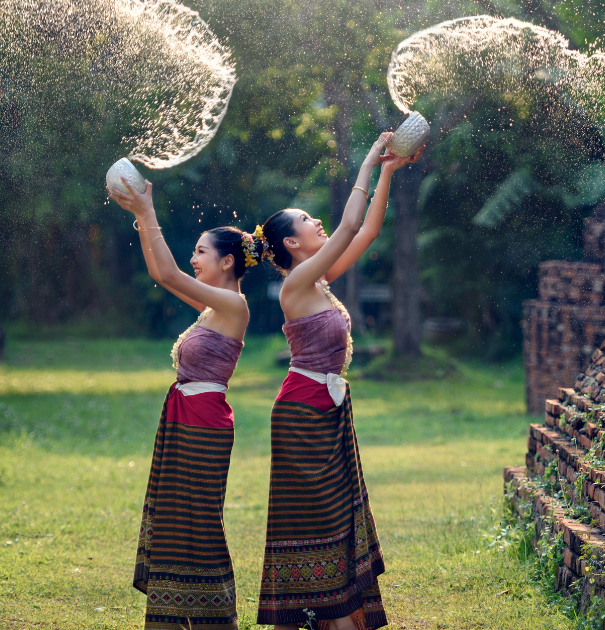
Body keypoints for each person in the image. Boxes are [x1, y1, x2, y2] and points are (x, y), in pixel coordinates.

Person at [254, 133, 423, 630]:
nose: (318, 222)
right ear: (291, 243)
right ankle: (328, 619)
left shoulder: (318, 280)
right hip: (302, 416)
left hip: (326, 414)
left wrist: (388, 172)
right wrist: (370, 158)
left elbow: (366, 231)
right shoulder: (296, 284)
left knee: (337, 523)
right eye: (308, 221)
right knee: (321, 523)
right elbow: (350, 222)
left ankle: (334, 619)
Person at [108, 174, 264, 630]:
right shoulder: (212, 309)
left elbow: (170, 273)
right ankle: (172, 620)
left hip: (204, 425)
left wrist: (146, 210)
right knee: (177, 526)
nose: (193, 260)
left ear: (227, 261)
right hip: (186, 421)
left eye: (200, 252)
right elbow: (161, 274)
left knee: (199, 528)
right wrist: (140, 217)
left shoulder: (234, 307)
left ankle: (218, 621)